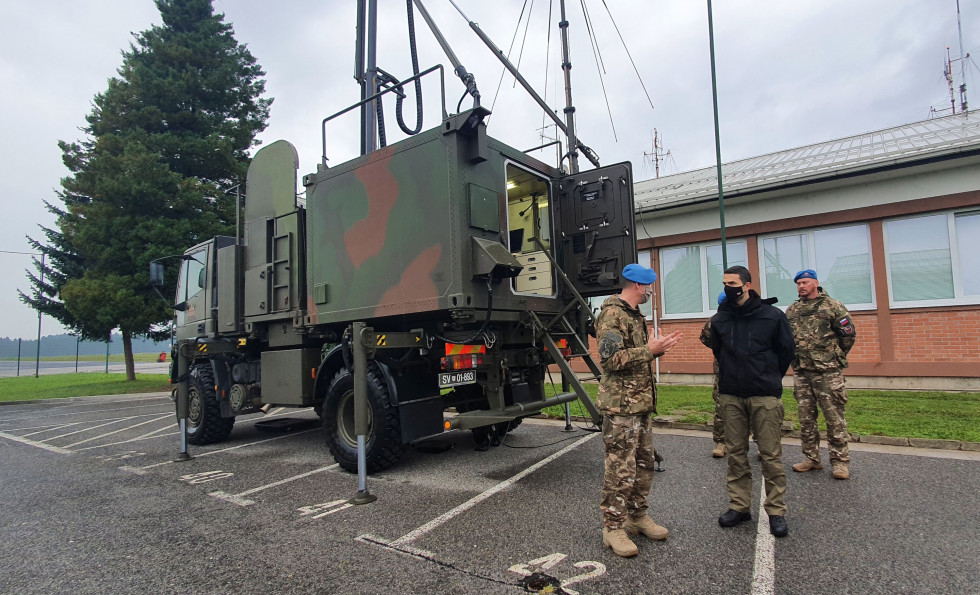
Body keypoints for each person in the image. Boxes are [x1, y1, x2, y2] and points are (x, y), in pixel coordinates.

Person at [596, 263, 683, 557]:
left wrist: (655, 347)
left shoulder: (634, 315)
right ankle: (613, 528)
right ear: (637, 285)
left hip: (640, 404)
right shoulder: (612, 313)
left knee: (643, 464)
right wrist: (651, 350)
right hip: (620, 407)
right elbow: (609, 360)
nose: (649, 292)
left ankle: (636, 516)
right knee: (620, 469)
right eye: (648, 287)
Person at [706, 265, 794, 538]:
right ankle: (739, 507)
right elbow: (719, 351)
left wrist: (767, 377)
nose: (727, 288)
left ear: (746, 284)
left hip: (764, 395)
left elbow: (786, 351)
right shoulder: (720, 319)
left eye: (732, 283)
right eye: (724, 283)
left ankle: (776, 511)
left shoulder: (772, 316)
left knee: (770, 456)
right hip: (732, 395)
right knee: (736, 454)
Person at [785, 269, 857, 480]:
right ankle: (811, 458)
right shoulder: (793, 310)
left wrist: (832, 356)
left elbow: (848, 335)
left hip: (828, 372)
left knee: (834, 418)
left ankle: (840, 462)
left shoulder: (833, 306)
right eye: (798, 283)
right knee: (806, 418)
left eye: (805, 282)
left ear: (816, 283)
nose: (801, 286)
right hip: (802, 371)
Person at [700, 292, 727, 458]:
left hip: (750, 371)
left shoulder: (749, 316)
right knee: (721, 405)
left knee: (754, 406)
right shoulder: (716, 320)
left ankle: (761, 443)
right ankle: (721, 441)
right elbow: (705, 338)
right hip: (723, 370)